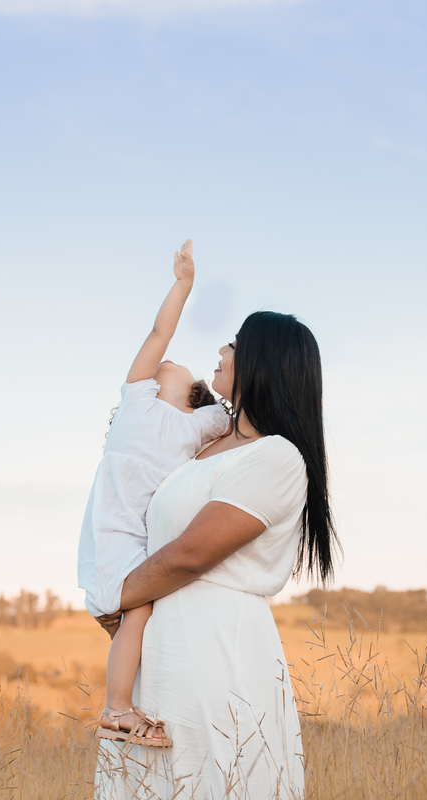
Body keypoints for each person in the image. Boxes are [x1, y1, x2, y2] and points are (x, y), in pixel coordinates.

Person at [94, 309, 338, 799]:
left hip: (214, 648)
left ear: (262, 362)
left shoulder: (275, 456)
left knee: (211, 780)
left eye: (233, 344)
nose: (221, 353)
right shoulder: (203, 444)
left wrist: (118, 595)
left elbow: (191, 554)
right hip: (159, 643)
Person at [77, 239, 231, 746]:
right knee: (137, 614)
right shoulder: (137, 398)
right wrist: (183, 284)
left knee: (141, 619)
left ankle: (130, 706)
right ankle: (117, 709)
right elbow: (158, 332)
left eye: (179, 367)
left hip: (135, 544)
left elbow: (241, 410)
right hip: (112, 538)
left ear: (191, 397)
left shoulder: (196, 425)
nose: (169, 360)